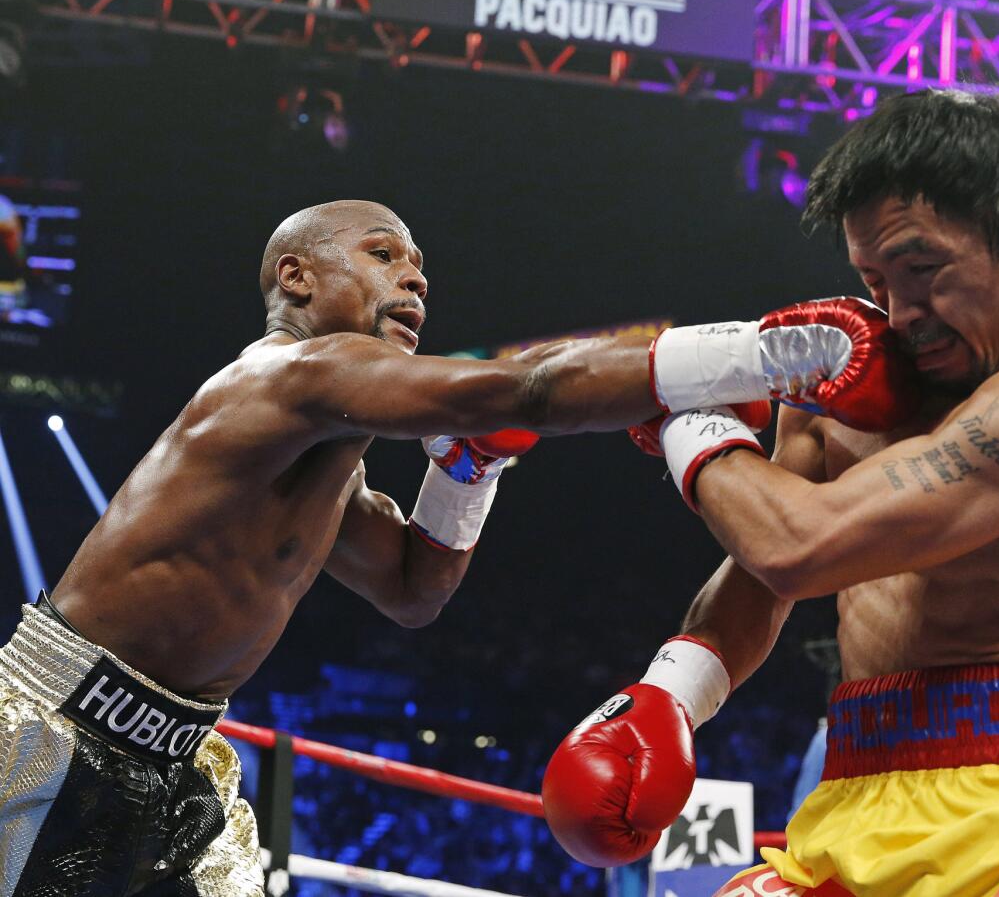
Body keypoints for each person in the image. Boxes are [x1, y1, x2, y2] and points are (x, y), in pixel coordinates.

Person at [0, 198, 915, 896]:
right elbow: (521, 390)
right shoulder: (287, 373)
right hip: (56, 726)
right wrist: (765, 355)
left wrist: (465, 474)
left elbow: (411, 590)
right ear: (296, 278)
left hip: (176, 758)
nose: (416, 279)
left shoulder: (322, 455)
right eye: (383, 254)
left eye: (421, 265)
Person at [542, 90, 999, 896]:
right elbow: (758, 566)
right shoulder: (846, 395)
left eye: (923, 270)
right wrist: (672, 693)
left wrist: (689, 421)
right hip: (855, 796)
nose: (901, 312)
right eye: (875, 280)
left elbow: (795, 547)